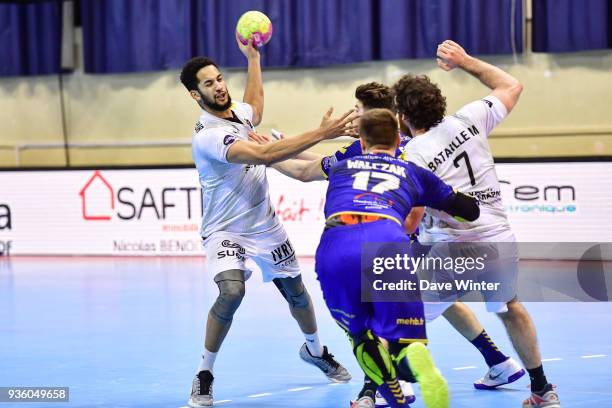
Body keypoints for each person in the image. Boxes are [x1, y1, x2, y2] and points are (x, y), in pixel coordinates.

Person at [263, 81, 521, 408]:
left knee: (371, 324)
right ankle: (496, 359)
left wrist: (269, 155)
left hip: (356, 242)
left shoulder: (353, 158)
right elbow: (462, 207)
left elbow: (307, 170)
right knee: (435, 304)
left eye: (357, 111)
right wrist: (282, 145)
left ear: (372, 121)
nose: (351, 116)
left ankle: (383, 388)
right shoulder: (407, 147)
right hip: (401, 240)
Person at [179, 35, 355, 407]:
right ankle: (204, 373)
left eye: (220, 78)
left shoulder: (237, 113)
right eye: (208, 83)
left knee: (296, 292)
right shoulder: (210, 136)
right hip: (225, 229)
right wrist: (324, 133)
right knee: (232, 292)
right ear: (196, 95)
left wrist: (254, 59)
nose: (219, 87)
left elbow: (254, 107)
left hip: (265, 225)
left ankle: (314, 350)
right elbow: (260, 154)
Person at [395, 40, 560, 408]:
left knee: (396, 314)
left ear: (404, 116)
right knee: (509, 306)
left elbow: (411, 221)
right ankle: (542, 390)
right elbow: (511, 85)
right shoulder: (470, 117)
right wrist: (465, 60)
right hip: (500, 238)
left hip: (453, 246)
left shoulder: (413, 156)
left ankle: (393, 387)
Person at [316, 108, 481, 408]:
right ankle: (416, 356)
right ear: (398, 139)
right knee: (406, 342)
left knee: (361, 337)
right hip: (388, 241)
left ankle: (395, 402)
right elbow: (470, 211)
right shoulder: (412, 171)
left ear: (362, 143)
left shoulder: (341, 167)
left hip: (338, 241)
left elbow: (304, 170)